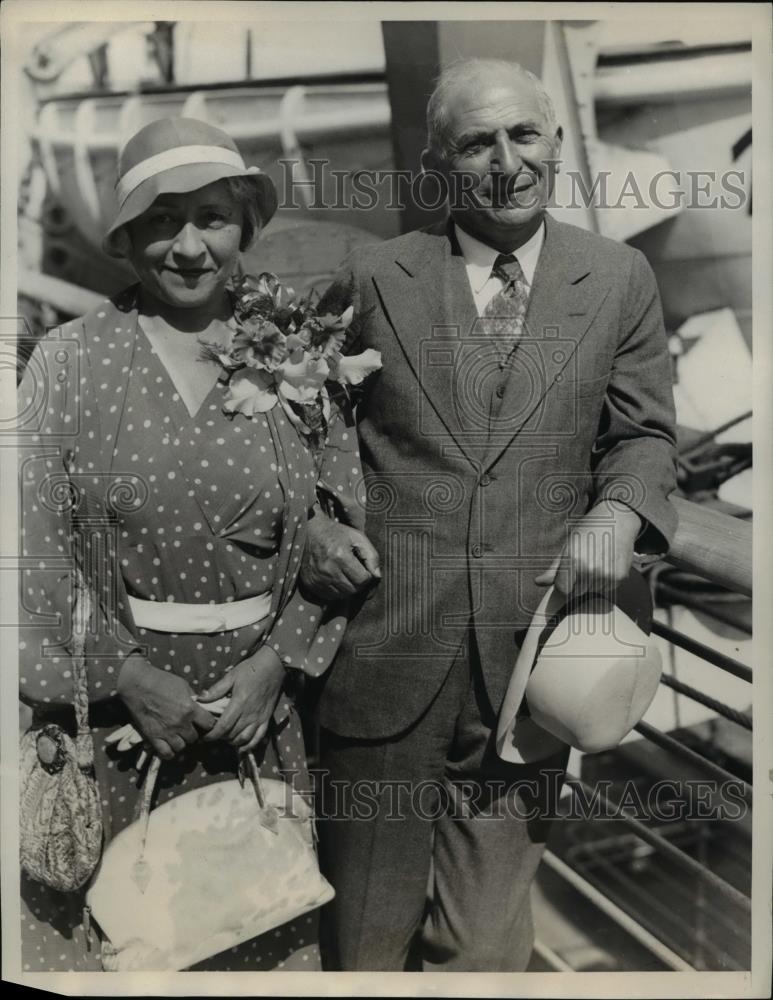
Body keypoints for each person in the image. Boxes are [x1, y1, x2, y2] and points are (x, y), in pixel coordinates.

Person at [302, 58, 678, 971]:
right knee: (363, 944)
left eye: (523, 134)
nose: (506, 161)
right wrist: (315, 525)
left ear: (554, 141)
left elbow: (644, 437)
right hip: (385, 660)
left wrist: (619, 514)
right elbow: (304, 427)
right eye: (477, 142)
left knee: (483, 955)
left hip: (528, 668)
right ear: (440, 164)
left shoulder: (617, 277)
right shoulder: (375, 275)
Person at [18, 117, 345, 971]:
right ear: (126, 239)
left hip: (254, 726)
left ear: (244, 226)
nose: (189, 246)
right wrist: (127, 678)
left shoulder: (296, 353)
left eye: (211, 217)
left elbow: (340, 533)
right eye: (163, 221)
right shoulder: (68, 362)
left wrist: (277, 664)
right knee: (124, 950)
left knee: (247, 934)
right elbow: (33, 549)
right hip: (114, 728)